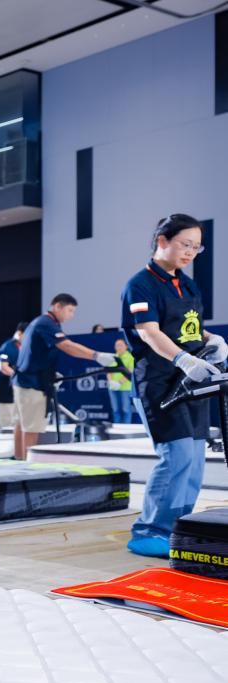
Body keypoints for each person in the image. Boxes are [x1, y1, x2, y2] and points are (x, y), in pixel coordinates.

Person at [122, 214, 226, 558]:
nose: (191, 252)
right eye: (185, 244)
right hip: (159, 381)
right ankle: (149, 530)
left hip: (192, 381)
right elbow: (149, 331)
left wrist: (212, 340)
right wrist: (182, 359)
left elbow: (190, 327)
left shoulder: (188, 284)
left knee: (194, 459)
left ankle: (178, 527)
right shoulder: (140, 284)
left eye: (197, 247)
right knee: (177, 455)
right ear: (163, 240)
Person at [13, 294, 117, 460]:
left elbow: (35, 353)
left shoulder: (40, 322)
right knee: (31, 428)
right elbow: (67, 346)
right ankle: (26, 468)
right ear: (57, 306)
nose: (71, 315)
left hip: (25, 380)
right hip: (32, 383)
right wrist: (96, 355)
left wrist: (48, 371)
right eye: (70, 310)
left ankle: (19, 461)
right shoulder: (46, 323)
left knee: (22, 425)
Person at [0, 323, 26, 446]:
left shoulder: (24, 347)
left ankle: (13, 445)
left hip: (16, 386)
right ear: (20, 333)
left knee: (15, 415)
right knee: (6, 414)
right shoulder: (7, 347)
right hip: (3, 385)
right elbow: (3, 367)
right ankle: (3, 444)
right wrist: (18, 375)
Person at [108, 337, 135, 425]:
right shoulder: (113, 357)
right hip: (112, 387)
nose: (118, 347)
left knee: (126, 409)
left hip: (125, 387)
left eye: (120, 345)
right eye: (117, 345)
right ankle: (117, 427)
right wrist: (111, 382)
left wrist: (119, 383)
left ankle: (126, 427)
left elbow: (130, 371)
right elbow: (108, 371)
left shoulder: (130, 357)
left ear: (126, 346)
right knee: (115, 409)